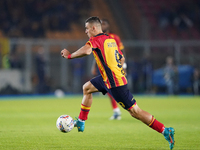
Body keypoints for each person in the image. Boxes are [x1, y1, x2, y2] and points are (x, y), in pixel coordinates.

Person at [61, 16, 175, 150]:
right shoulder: (110, 40)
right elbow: (121, 58)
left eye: (86, 29)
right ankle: (81, 121)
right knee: (86, 88)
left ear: (93, 28)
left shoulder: (95, 40)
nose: (85, 32)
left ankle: (165, 131)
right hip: (107, 79)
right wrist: (119, 70)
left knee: (135, 112)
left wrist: (70, 56)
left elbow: (86, 51)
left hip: (115, 84)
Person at [91, 19, 126, 120]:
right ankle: (116, 110)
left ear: (108, 25)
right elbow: (96, 53)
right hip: (103, 67)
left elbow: (121, 52)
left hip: (114, 68)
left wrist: (124, 66)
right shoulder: (97, 38)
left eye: (104, 23)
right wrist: (93, 66)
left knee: (115, 90)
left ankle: (124, 108)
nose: (102, 25)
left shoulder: (114, 37)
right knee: (109, 90)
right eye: (101, 24)